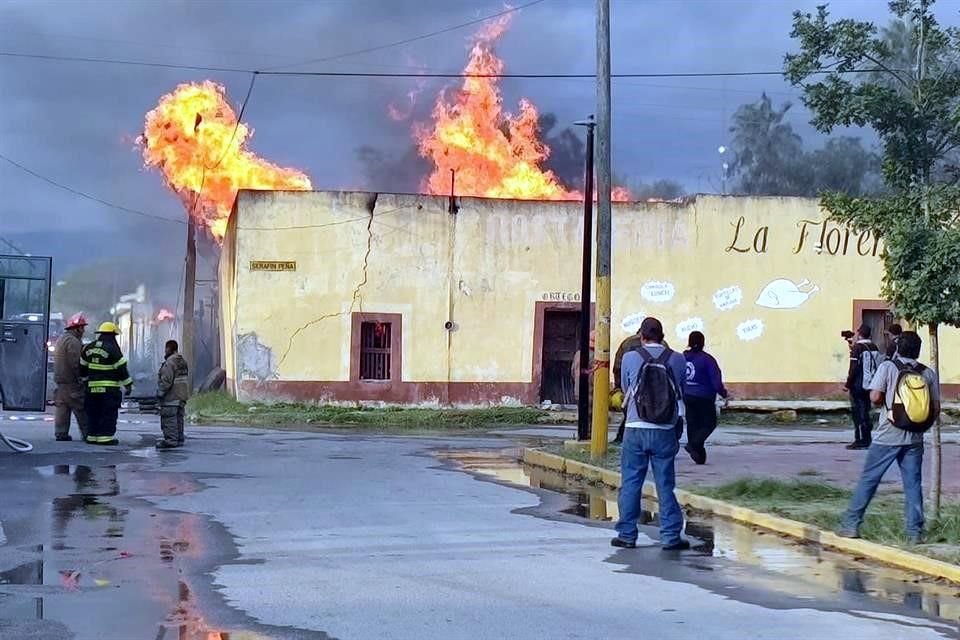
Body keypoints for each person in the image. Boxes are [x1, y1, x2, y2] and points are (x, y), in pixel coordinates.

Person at [838, 331, 939, 544]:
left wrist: (884, 400)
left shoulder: (888, 367)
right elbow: (936, 408)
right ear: (918, 351)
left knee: (869, 479)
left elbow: (874, 396)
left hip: (887, 435)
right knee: (913, 485)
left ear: (898, 348)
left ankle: (850, 525)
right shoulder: (928, 374)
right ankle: (914, 533)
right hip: (914, 439)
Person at [611, 317, 690, 551]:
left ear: (642, 336)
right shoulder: (677, 359)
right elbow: (680, 389)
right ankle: (670, 537)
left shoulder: (630, 357)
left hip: (635, 428)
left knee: (631, 482)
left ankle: (627, 535)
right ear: (662, 336)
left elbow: (626, 389)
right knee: (665, 484)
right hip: (665, 429)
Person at [80, 322, 132, 446]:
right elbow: (121, 369)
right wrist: (128, 385)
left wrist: (86, 382)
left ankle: (92, 436)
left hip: (91, 390)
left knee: (93, 413)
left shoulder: (88, 348)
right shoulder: (113, 349)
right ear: (112, 335)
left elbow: (82, 368)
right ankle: (105, 438)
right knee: (107, 413)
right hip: (108, 390)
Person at [682, 331, 729, 465]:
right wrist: (724, 394)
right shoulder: (707, 359)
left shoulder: (682, 358)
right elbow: (716, 382)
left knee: (693, 424)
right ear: (703, 343)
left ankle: (699, 456)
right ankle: (693, 445)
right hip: (704, 397)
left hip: (687, 395)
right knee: (709, 423)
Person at [53, 313, 89, 441]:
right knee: (81, 408)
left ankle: (61, 433)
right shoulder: (73, 342)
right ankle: (87, 434)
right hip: (71, 383)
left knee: (62, 408)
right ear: (76, 328)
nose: (83, 330)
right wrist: (81, 377)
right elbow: (75, 362)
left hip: (60, 383)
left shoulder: (61, 339)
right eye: (82, 327)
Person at [845, 324, 880, 450]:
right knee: (866, 411)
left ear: (859, 334)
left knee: (858, 413)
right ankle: (867, 438)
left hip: (858, 385)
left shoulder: (858, 348)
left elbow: (853, 368)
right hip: (870, 384)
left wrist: (848, 384)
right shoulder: (874, 347)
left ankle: (859, 439)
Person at [612, 329, 644, 444]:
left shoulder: (627, 343)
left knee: (630, 414)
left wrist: (618, 387)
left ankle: (622, 438)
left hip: (631, 388)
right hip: (655, 391)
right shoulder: (662, 344)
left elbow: (618, 367)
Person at [156, 339, 190, 449]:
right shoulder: (182, 361)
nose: (165, 351)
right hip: (182, 395)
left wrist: (160, 393)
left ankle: (171, 440)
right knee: (178, 419)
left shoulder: (169, 362)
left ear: (169, 348)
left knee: (169, 418)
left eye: (166, 348)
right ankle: (179, 438)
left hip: (171, 396)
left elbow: (166, 380)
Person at [571, 330, 595, 409]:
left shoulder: (578, 353)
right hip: (590, 392)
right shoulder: (595, 356)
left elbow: (573, 372)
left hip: (578, 390)